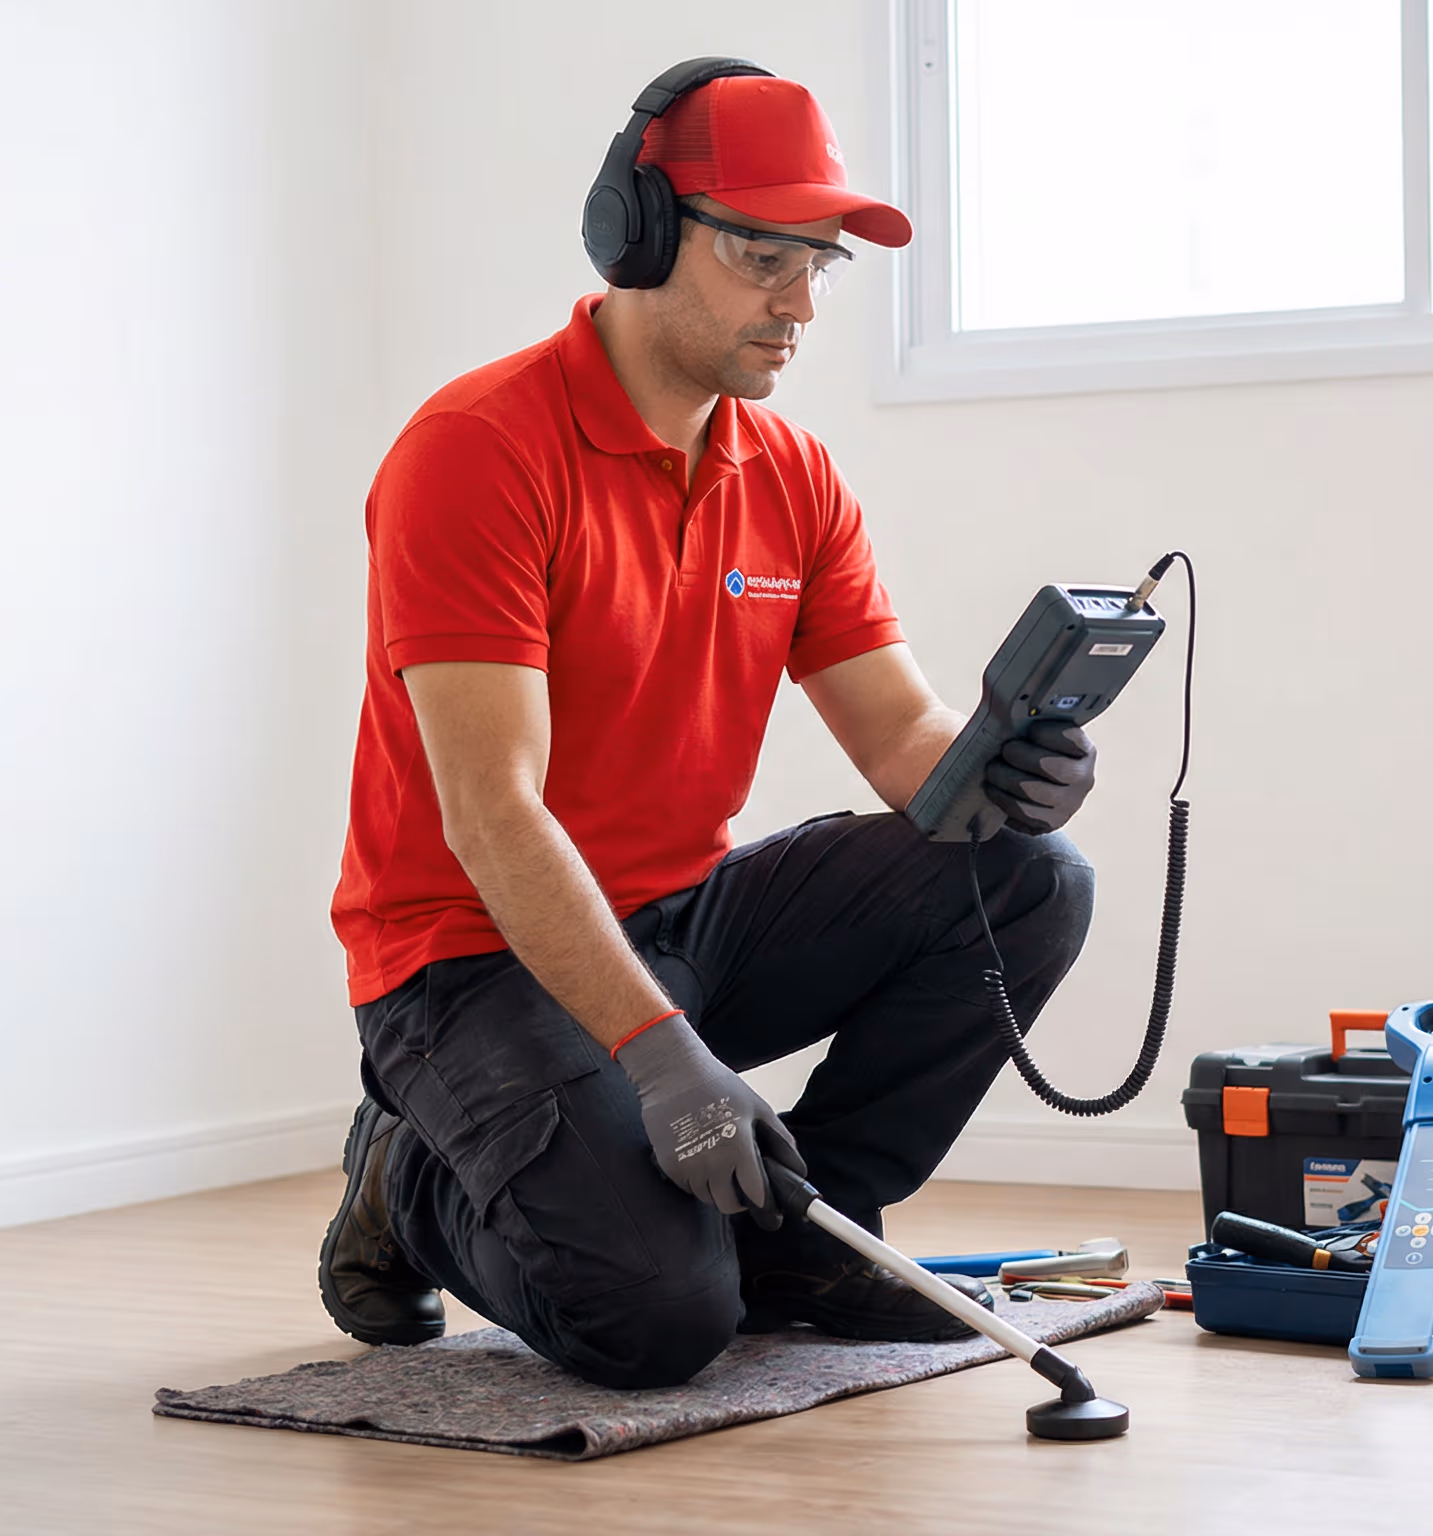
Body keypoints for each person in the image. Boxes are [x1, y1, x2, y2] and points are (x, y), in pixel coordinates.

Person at [314, 61, 1101, 1390]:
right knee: (659, 1323)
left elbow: (902, 740)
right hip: (468, 961)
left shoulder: (789, 475)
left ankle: (803, 1244)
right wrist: (669, 1064)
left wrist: (1007, 770)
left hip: (682, 919)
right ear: (639, 227)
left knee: (1026, 882)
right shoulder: (477, 451)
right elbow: (493, 817)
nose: (800, 303)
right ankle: (415, 1177)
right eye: (761, 256)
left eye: (822, 262)